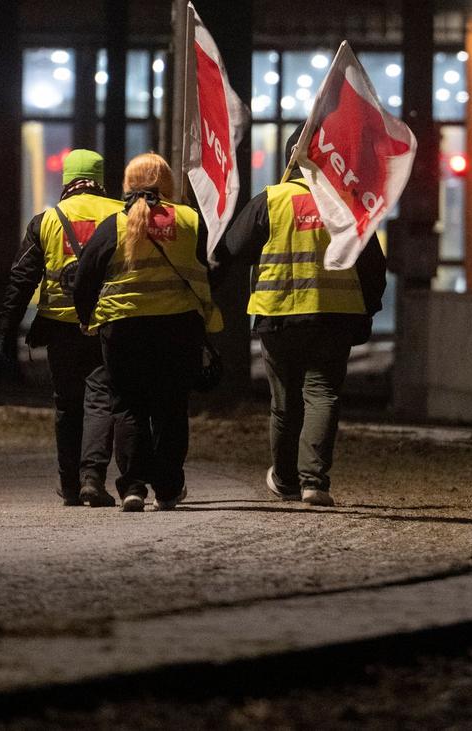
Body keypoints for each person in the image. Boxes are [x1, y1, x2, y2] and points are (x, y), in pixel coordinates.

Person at [212, 125, 387, 507]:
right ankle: (315, 483)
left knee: (285, 401)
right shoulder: (348, 204)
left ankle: (286, 480)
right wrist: (367, 310)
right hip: (335, 316)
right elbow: (374, 264)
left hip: (280, 316)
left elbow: (231, 250)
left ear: (292, 159)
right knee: (322, 395)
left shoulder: (271, 200)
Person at [73, 152, 222, 513]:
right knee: (172, 408)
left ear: (127, 186)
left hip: (123, 330)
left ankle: (133, 489)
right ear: (167, 184)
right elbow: (211, 268)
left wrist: (86, 316)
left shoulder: (113, 225)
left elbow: (84, 278)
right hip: (179, 329)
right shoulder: (189, 220)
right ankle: (168, 489)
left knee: (128, 407)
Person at [0, 149, 119, 508]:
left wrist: (6, 330)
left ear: (66, 180)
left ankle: (68, 485)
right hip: (105, 324)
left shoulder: (47, 220)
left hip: (60, 328)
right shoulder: (120, 215)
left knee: (67, 404)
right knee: (101, 399)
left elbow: (21, 279)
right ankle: (92, 478)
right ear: (101, 178)